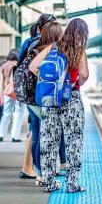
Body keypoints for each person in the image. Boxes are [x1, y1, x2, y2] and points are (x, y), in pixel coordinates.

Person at [32, 18, 89, 193]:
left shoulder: (53, 47)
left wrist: (51, 83)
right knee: (73, 141)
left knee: (49, 140)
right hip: (70, 99)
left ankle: (49, 182)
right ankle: (71, 184)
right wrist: (73, 83)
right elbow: (84, 75)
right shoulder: (79, 51)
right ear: (83, 34)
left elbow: (34, 67)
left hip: (50, 100)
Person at [27, 21, 64, 185]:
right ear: (56, 35)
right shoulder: (51, 51)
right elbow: (33, 68)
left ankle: (38, 172)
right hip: (43, 98)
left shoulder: (35, 48)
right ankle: (42, 173)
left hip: (31, 98)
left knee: (37, 135)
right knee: (45, 136)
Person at [0, 49, 26, 142]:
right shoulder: (17, 64)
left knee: (6, 113)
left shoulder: (4, 65)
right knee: (19, 112)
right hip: (17, 91)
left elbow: (1, 82)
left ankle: (0, 135)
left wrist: (2, 94)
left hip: (7, 91)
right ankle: (15, 136)